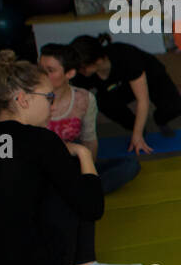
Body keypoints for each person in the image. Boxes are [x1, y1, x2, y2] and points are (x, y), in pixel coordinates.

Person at [0, 51, 144, 265]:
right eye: (48, 98)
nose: (52, 106)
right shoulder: (42, 141)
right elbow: (92, 207)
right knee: (75, 178)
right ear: (22, 100)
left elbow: (5, 159)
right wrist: (83, 155)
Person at [39, 43, 140, 194]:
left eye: (50, 71)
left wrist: (88, 177)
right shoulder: (30, 98)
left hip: (71, 166)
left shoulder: (84, 99)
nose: (42, 76)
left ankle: (79, 192)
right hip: (42, 169)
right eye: (40, 70)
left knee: (130, 165)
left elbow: (89, 139)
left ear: (70, 73)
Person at [69, 33, 181, 153]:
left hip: (153, 78)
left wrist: (137, 136)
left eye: (83, 68)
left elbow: (143, 100)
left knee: (175, 107)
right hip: (122, 85)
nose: (79, 71)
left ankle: (160, 120)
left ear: (97, 60)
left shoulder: (125, 56)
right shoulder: (81, 74)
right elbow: (75, 100)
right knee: (104, 102)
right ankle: (137, 126)